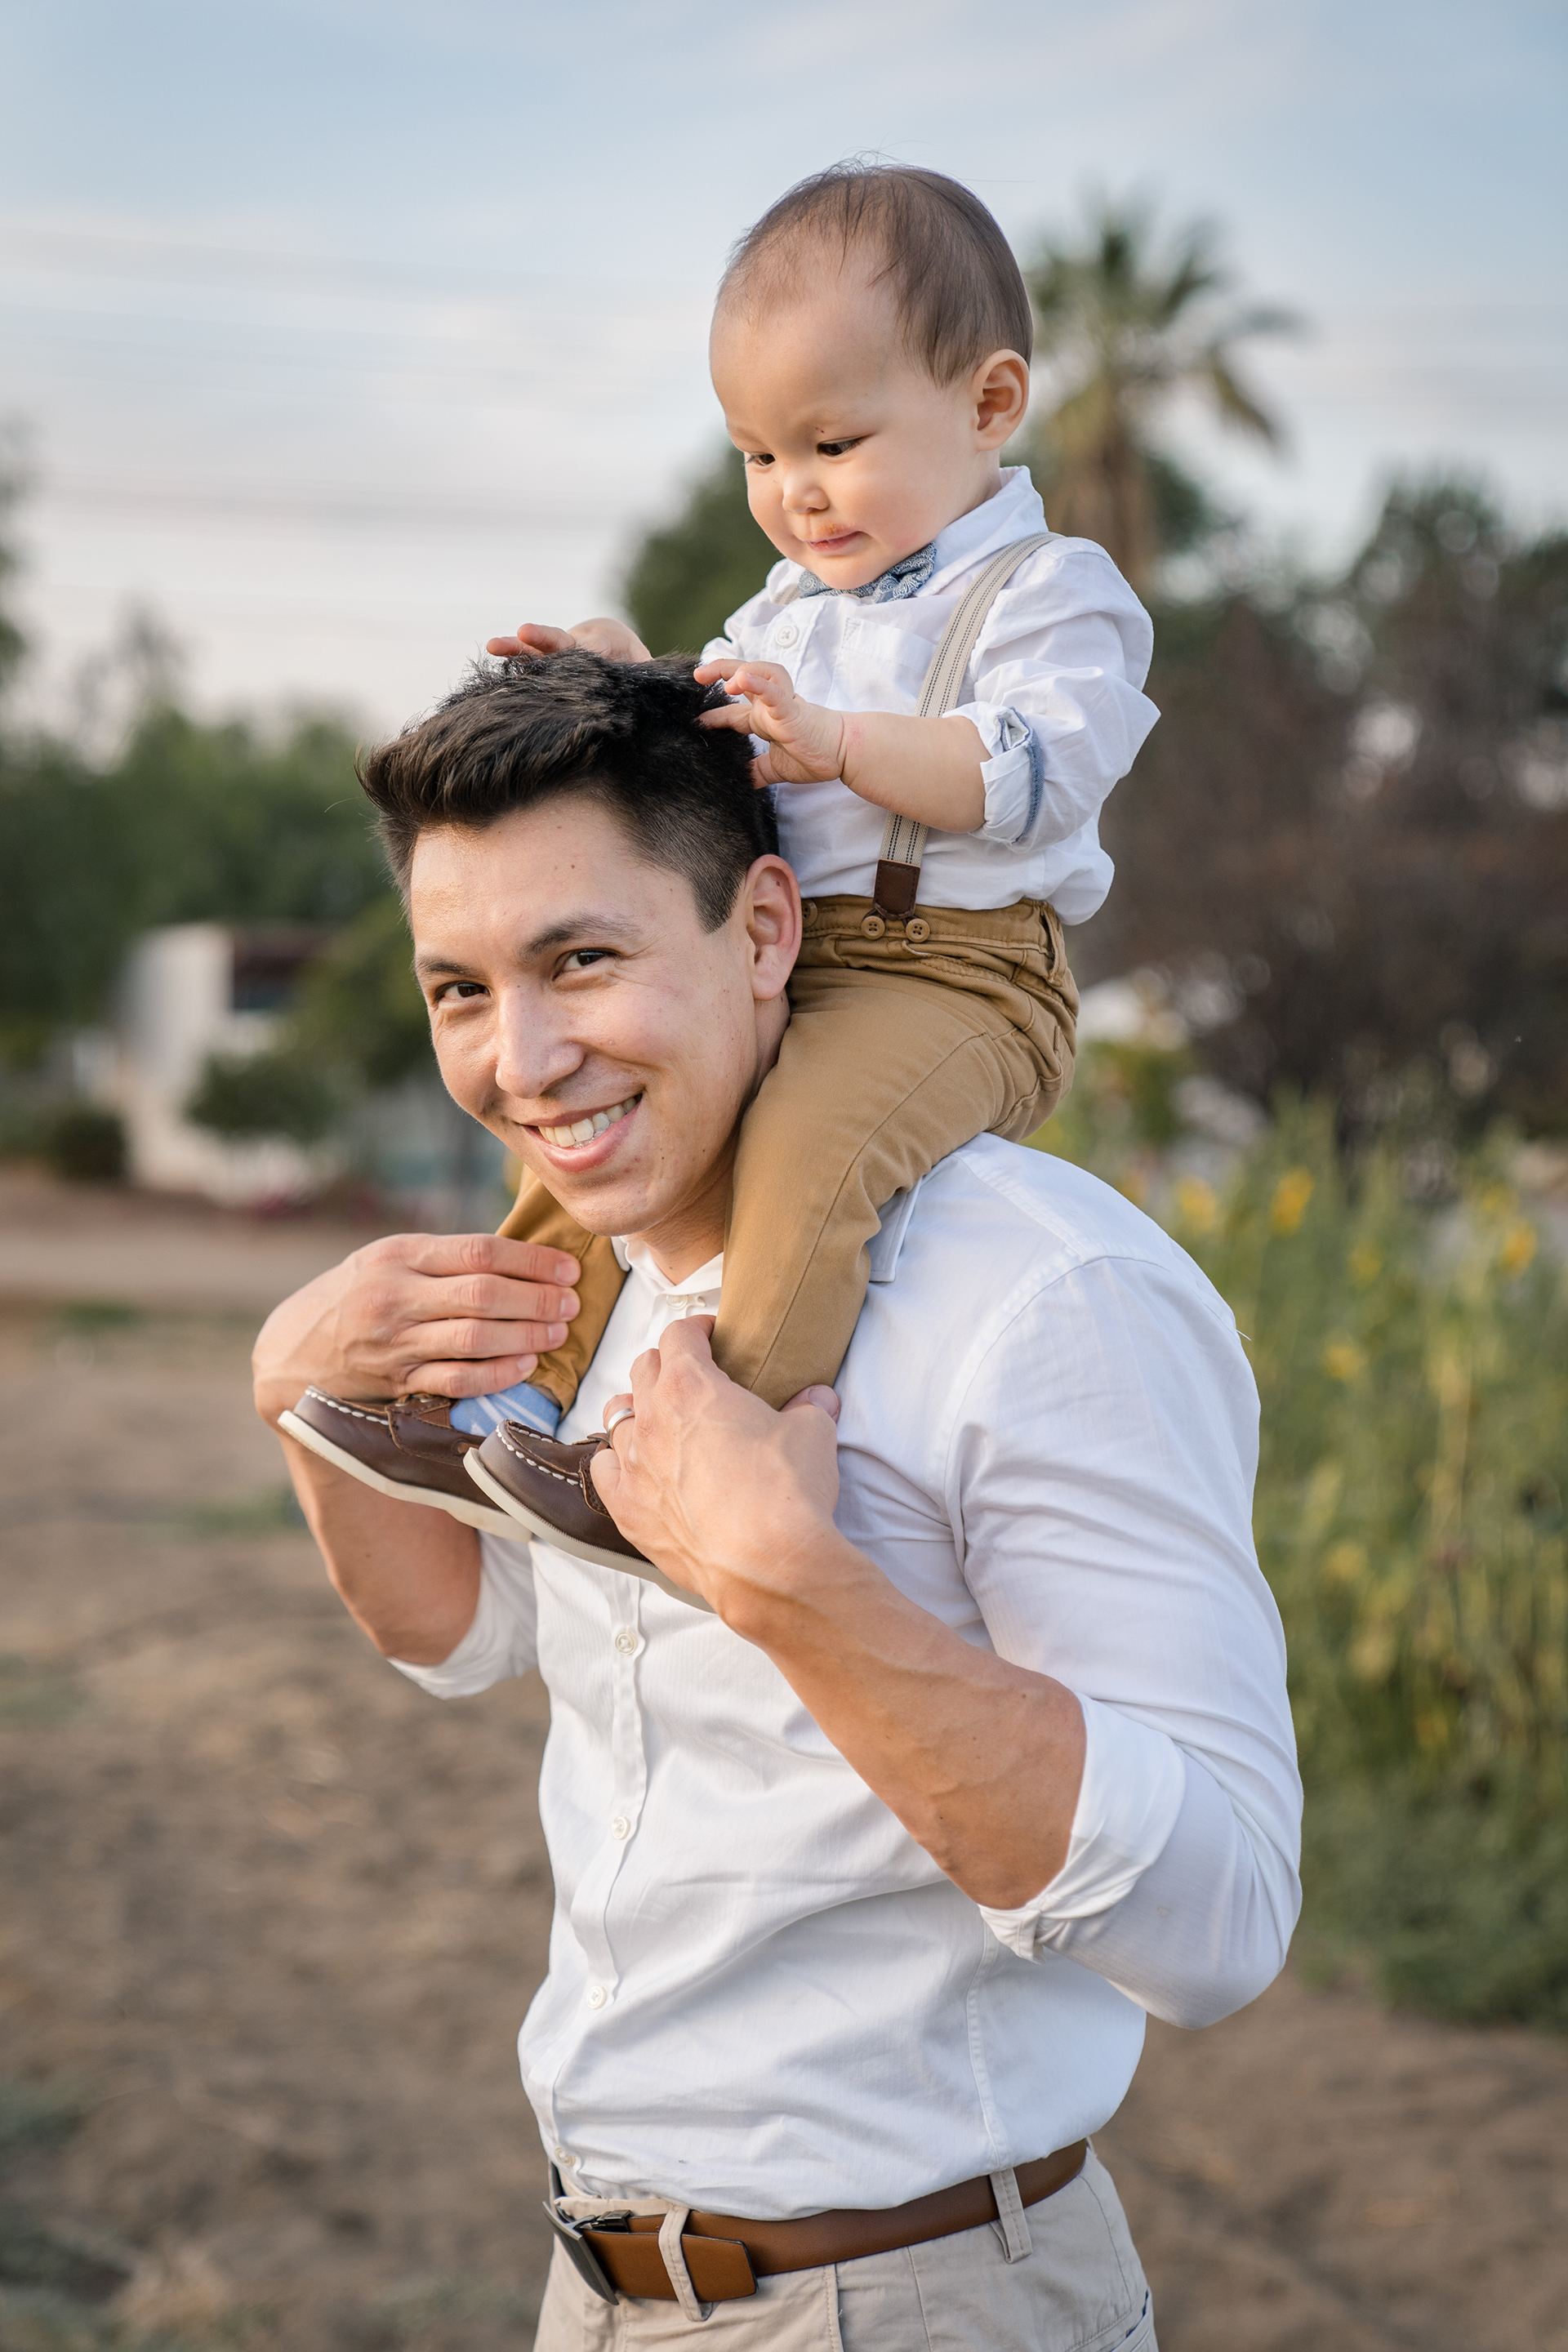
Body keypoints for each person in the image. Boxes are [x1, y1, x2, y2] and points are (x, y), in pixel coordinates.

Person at [256, 653, 1302, 2350]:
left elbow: (1224, 1923)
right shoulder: (596, 1284)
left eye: (581, 961)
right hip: (597, 2289)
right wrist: (302, 1403)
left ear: (761, 930)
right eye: (459, 989)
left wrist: (787, 1584)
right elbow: (461, 1635)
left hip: (916, 2299)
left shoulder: (1048, 1295)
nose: (523, 1060)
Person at [292, 163, 1157, 1550]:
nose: (794, 494)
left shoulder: (1047, 594)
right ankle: (500, 1409)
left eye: (831, 443)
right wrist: (621, 676)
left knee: (812, 1152)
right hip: (794, 959)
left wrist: (842, 741)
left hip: (957, 978)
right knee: (569, 1165)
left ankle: (699, 1458)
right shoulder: (791, 609)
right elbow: (714, 728)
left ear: (990, 404)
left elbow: (1031, 772)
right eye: (757, 456)